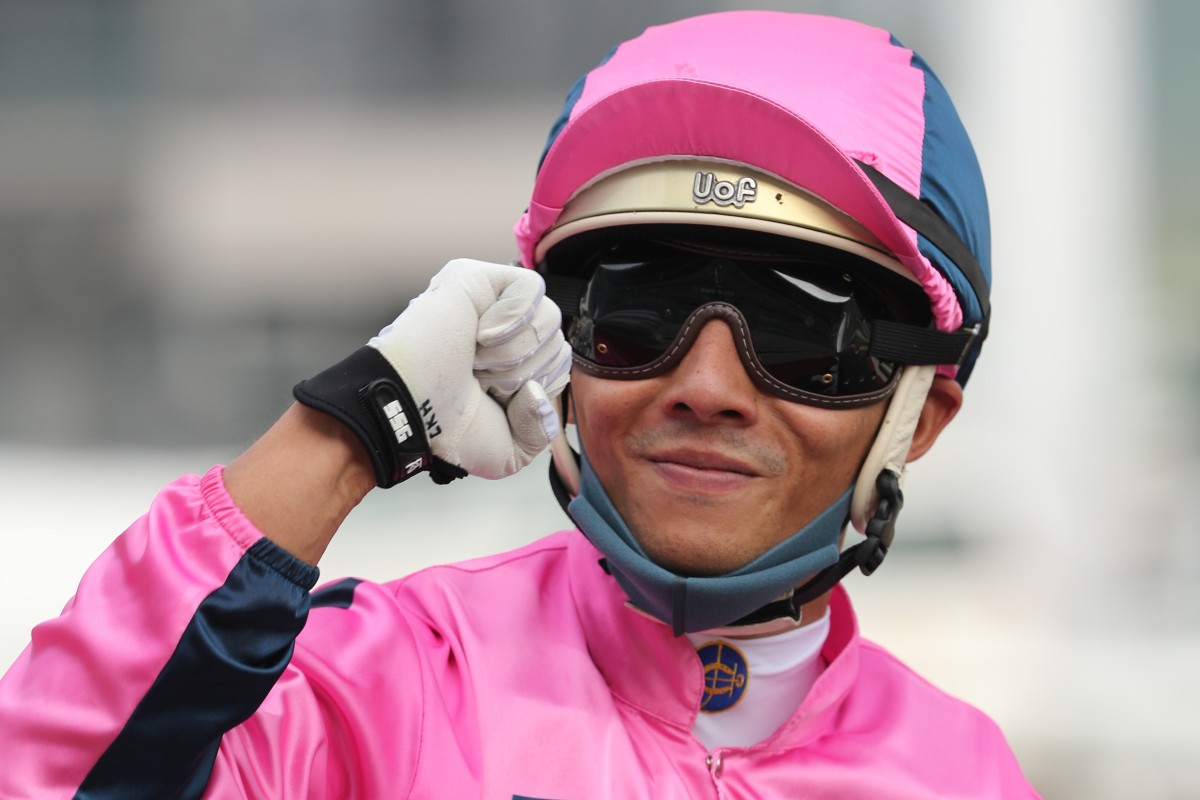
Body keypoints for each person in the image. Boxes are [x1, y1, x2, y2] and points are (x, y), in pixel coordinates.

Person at [0, 10, 1039, 799]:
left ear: (921, 417)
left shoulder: (967, 774)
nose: (707, 388)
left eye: (809, 335)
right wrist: (352, 428)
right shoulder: (373, 684)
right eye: (638, 312)